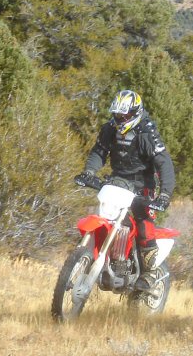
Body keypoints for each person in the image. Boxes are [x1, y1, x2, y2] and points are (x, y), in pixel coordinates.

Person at [74, 89, 176, 291]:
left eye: (125, 115)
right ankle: (104, 258)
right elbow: (99, 151)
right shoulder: (110, 129)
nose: (121, 119)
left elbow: (164, 164)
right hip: (117, 181)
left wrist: (164, 195)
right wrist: (89, 172)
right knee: (107, 215)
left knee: (144, 224)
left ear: (136, 113)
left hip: (142, 186)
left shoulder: (147, 132)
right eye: (118, 115)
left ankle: (150, 273)